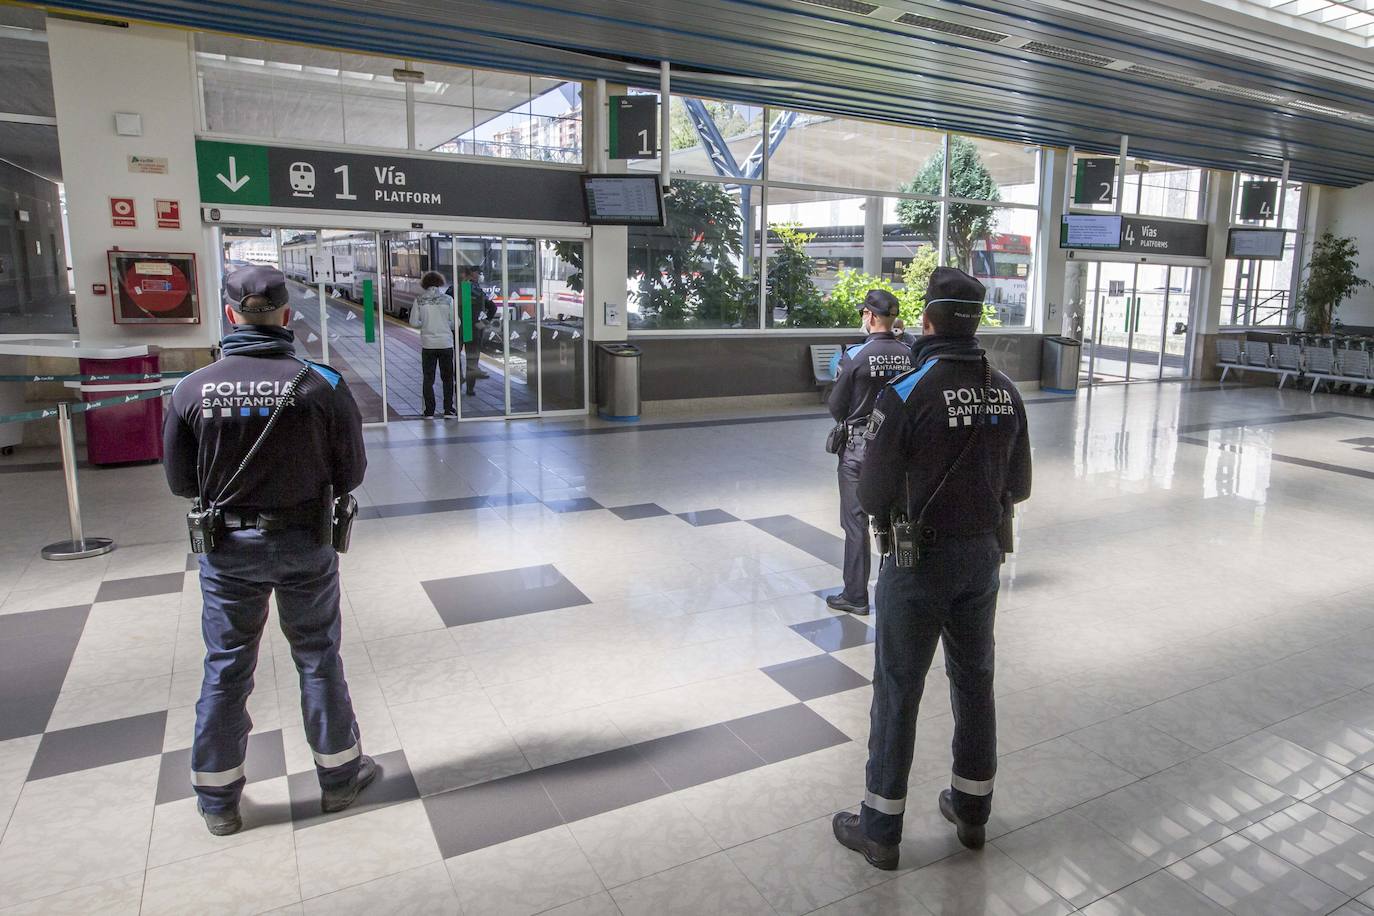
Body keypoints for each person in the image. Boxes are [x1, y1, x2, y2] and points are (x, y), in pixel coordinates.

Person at [164, 265, 377, 836]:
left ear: (231, 316)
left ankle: (217, 799)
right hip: (307, 543)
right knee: (317, 657)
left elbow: (182, 483)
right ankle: (339, 778)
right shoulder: (322, 385)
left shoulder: (191, 389)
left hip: (227, 550)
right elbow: (351, 473)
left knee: (227, 666)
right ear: (287, 315)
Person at [832, 267, 1032, 870]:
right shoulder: (1005, 390)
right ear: (976, 321)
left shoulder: (909, 392)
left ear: (928, 319)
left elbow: (871, 493)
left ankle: (881, 829)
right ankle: (972, 811)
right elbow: (1018, 485)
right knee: (975, 680)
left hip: (917, 562)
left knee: (899, 687)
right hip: (981, 560)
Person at [825, 289, 913, 615]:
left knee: (855, 522)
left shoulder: (856, 356)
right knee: (899, 521)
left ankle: (855, 596)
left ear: (870, 316)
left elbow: (836, 405)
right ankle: (900, 595)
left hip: (859, 451)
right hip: (900, 450)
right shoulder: (911, 353)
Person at [410, 271, 457, 418]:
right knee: (448, 378)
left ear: (425, 284)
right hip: (446, 344)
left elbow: (413, 322)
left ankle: (429, 411)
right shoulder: (448, 299)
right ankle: (448, 409)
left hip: (428, 345)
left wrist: (424, 324)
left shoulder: (419, 300)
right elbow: (456, 323)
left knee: (428, 378)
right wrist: (445, 325)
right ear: (439, 282)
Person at [449, 266, 498, 397]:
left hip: (457, 329)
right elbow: (493, 307)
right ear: (469, 275)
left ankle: (458, 380)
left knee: (455, 357)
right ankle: (470, 389)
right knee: (472, 359)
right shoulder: (477, 290)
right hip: (473, 329)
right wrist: (483, 323)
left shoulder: (452, 289)